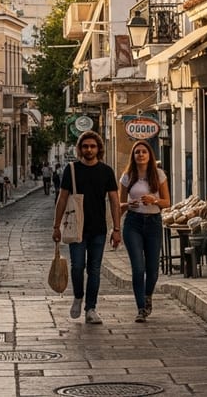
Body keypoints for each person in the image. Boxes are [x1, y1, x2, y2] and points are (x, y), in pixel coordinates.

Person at [52, 131, 122, 324]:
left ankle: (91, 308)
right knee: (77, 266)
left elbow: (114, 201)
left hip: (98, 228)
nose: (89, 149)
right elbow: (62, 198)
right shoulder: (72, 170)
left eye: (92, 146)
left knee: (94, 269)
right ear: (80, 149)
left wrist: (117, 229)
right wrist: (56, 226)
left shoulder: (106, 171)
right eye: (85, 146)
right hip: (76, 227)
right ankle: (78, 296)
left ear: (99, 148)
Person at [120, 140, 170, 323]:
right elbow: (119, 204)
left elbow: (167, 202)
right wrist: (128, 205)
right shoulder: (127, 176)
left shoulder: (158, 175)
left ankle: (148, 295)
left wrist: (154, 201)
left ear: (150, 155)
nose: (140, 155)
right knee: (138, 268)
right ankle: (141, 308)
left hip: (153, 223)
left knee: (153, 270)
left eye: (144, 152)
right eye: (137, 152)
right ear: (133, 156)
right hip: (133, 223)